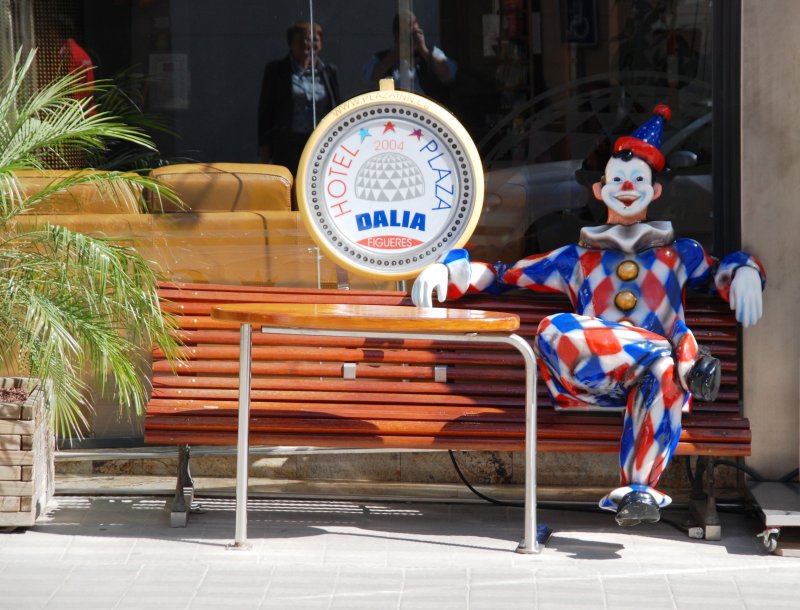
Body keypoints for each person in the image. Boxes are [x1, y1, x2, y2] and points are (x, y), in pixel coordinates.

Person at [412, 106, 766, 527]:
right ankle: (684, 361)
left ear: (655, 191)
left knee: (663, 372)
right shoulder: (576, 258)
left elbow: (721, 272)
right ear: (600, 191)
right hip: (589, 380)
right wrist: (448, 269)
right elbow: (503, 277)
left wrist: (745, 271)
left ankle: (638, 492)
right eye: (617, 180)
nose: (627, 187)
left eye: (637, 181)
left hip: (654, 388)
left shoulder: (680, 254)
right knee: (555, 329)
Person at [257, 21, 340, 175]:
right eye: (302, 40)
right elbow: (266, 109)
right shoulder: (277, 70)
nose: (308, 45)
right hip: (289, 142)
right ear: (291, 44)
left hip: (320, 140)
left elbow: (337, 106)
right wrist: (264, 145)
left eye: (314, 39)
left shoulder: (328, 72)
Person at [363, 10, 457, 101]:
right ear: (396, 35)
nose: (410, 39)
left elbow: (449, 74)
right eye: (406, 34)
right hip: (394, 109)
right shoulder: (383, 57)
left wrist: (423, 50)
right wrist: (397, 53)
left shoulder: (431, 52)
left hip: (427, 110)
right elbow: (369, 78)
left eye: (414, 34)